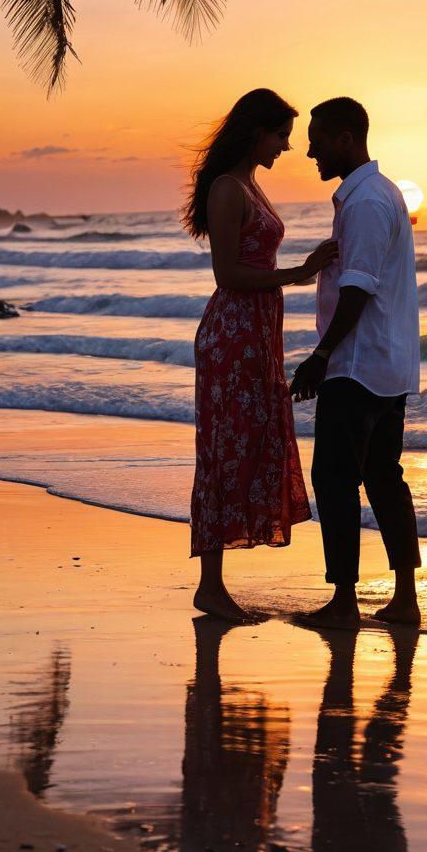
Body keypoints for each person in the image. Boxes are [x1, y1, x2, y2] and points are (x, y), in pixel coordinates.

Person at [182, 88, 338, 622]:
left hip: (258, 334)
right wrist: (299, 273)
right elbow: (227, 274)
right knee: (225, 448)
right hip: (232, 334)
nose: (287, 147)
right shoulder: (228, 188)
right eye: (281, 136)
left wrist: (300, 270)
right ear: (257, 132)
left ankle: (216, 584)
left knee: (249, 443)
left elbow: (254, 260)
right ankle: (210, 587)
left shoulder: (252, 184)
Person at [290, 97, 421, 629]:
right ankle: (405, 599)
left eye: (318, 141)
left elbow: (359, 288)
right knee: (385, 477)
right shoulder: (376, 194)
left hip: (358, 365)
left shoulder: (366, 201)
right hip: (389, 366)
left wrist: (321, 355)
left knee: (335, 477)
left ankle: (344, 602)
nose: (310, 151)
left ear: (346, 138)